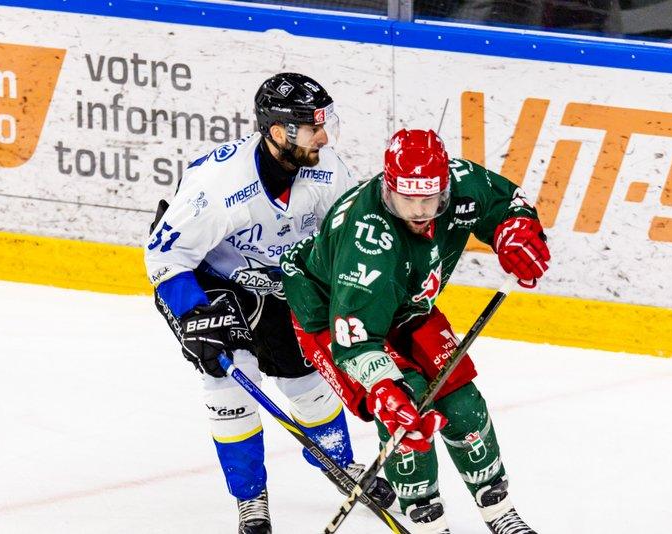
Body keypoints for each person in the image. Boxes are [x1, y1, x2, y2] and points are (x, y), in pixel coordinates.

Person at [144, 73, 394, 534]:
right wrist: (192, 312)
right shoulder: (218, 183)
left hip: (283, 281)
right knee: (230, 379)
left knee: (308, 380)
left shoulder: (327, 170)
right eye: (313, 128)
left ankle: (340, 464)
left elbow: (350, 239)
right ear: (279, 132)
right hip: (213, 282)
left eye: (325, 124)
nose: (324, 137)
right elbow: (165, 254)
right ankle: (250, 497)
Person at [280, 129, 550, 533]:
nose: (420, 211)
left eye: (429, 199)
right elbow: (356, 342)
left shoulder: (460, 183)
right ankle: (428, 522)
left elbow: (506, 202)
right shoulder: (369, 240)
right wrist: (385, 389)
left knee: (462, 402)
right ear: (389, 189)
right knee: (408, 414)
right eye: (407, 199)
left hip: (406, 305)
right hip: (333, 315)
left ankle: (500, 511)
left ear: (445, 186)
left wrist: (516, 232)